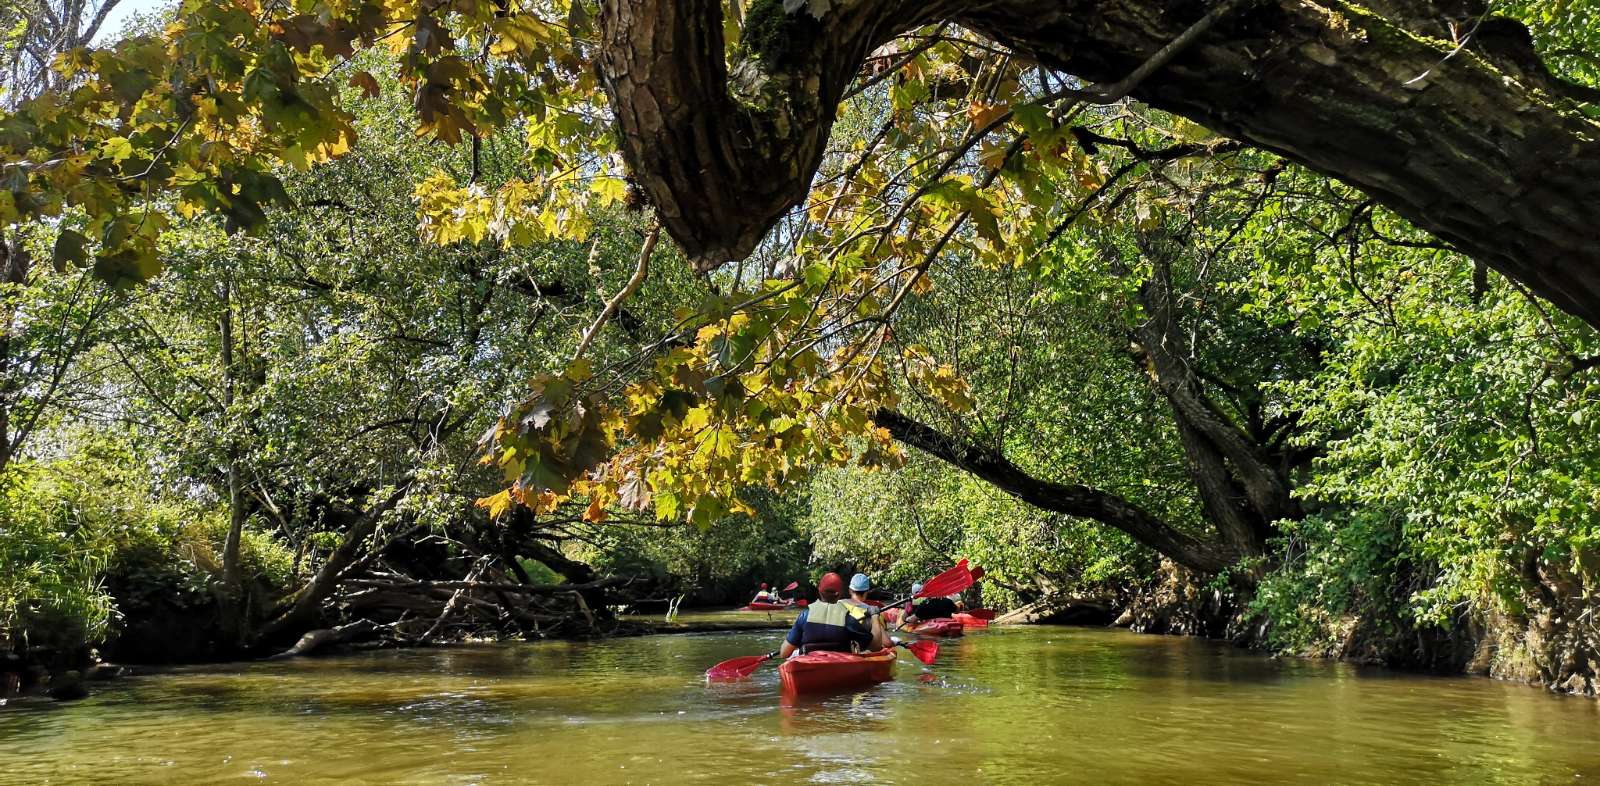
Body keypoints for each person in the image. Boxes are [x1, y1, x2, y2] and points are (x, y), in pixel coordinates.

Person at [779, 573, 887, 657]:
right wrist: (874, 616)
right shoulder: (848, 619)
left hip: (809, 663)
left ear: (819, 591)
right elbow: (875, 646)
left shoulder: (804, 616)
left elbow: (784, 653)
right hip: (839, 666)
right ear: (839, 594)